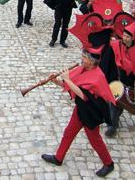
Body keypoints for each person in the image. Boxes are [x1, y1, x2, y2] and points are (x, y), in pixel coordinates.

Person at [41, 47, 116, 177]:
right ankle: (58, 158)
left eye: (85, 58)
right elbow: (74, 85)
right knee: (69, 132)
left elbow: (83, 95)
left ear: (92, 62)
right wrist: (57, 81)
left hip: (90, 113)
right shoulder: (83, 69)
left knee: (95, 140)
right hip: (80, 109)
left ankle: (109, 164)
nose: (82, 59)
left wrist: (67, 80)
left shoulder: (97, 77)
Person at [106, 22, 135, 137]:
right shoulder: (116, 45)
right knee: (113, 101)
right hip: (116, 78)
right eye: (124, 35)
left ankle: (114, 117)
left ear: (133, 37)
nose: (125, 38)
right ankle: (112, 126)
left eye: (128, 37)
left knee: (122, 103)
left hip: (129, 80)